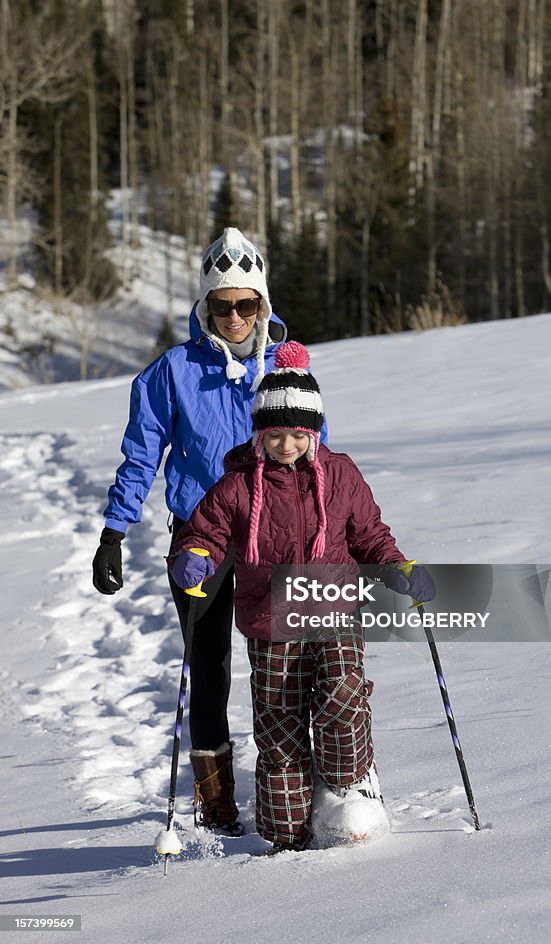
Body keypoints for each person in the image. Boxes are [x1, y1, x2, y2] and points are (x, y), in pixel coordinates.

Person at [92, 227, 325, 835]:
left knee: (291, 664)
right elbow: (142, 456)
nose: (235, 317)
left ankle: (298, 782)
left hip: (279, 539)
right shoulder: (172, 372)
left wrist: (332, 531)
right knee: (211, 664)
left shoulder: (286, 368)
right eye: (222, 306)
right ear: (205, 308)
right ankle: (217, 797)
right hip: (202, 540)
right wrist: (115, 531)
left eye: (247, 305)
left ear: (263, 305)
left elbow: (316, 452)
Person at [169, 341, 435, 852]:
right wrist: (195, 556)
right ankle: (289, 829)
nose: (286, 446)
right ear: (259, 434)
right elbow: (205, 531)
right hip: (270, 623)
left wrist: (396, 566)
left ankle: (348, 779)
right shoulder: (238, 486)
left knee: (342, 692)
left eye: (297, 434)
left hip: (335, 611)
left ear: (312, 434)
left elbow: (369, 535)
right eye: (274, 435)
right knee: (280, 736)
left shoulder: (340, 476)